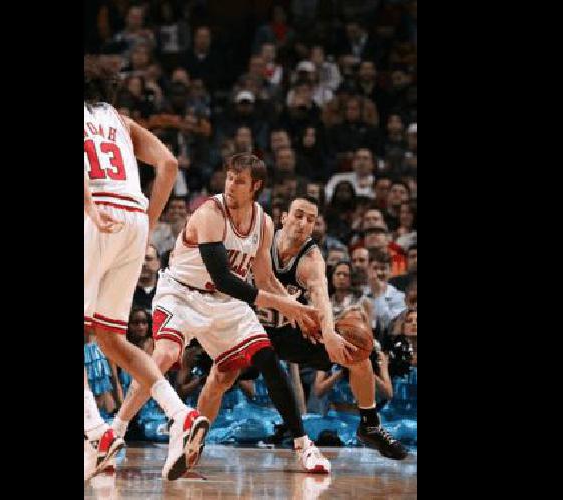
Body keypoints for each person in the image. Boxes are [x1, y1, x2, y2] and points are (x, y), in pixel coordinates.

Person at [108, 153, 326, 473]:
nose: (231, 185)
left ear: (256, 187)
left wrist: (300, 313)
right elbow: (223, 277)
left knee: (265, 358)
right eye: (229, 178)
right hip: (181, 293)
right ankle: (116, 432)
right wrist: (287, 305)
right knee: (165, 354)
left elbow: (264, 277)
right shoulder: (210, 211)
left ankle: (303, 445)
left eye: (240, 181)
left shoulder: (262, 221)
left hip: (225, 303)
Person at [83, 55, 208, 482]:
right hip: (133, 217)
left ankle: (97, 431)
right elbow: (169, 164)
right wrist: (149, 221)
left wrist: (91, 209)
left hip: (96, 213)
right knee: (110, 337)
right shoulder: (119, 119)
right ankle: (180, 414)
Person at [246, 196, 408, 458]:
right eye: (298, 215)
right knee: (219, 376)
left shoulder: (311, 258)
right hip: (247, 326)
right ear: (284, 218)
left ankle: (370, 424)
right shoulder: (261, 239)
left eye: (311, 219)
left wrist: (330, 332)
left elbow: (320, 294)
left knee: (356, 351)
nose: (303, 223)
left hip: (289, 330)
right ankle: (189, 433)